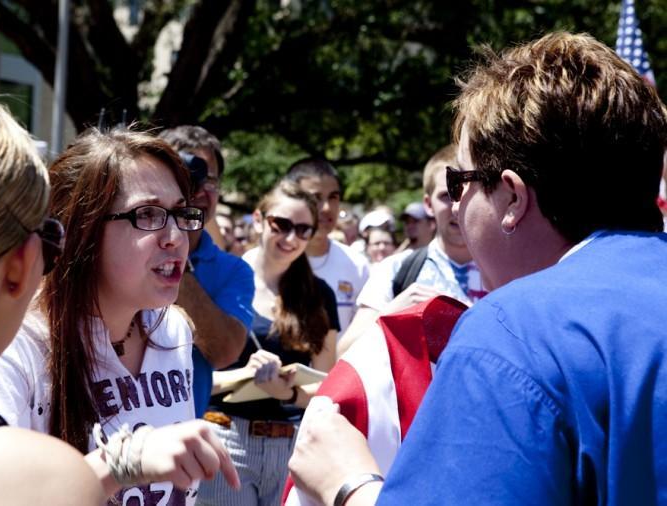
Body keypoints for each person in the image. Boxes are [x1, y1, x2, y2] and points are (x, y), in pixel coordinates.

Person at [289, 31, 667, 505]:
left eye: (459, 179)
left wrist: (347, 483)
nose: (455, 203)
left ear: (511, 196)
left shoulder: (511, 333)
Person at [0, 93, 237, 506]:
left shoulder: (171, 329)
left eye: (181, 213)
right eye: (147, 215)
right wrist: (118, 464)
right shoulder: (13, 350)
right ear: (78, 232)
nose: (175, 236)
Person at [197, 180, 340, 506]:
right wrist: (245, 375)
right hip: (226, 438)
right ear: (259, 219)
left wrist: (287, 392)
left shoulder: (320, 296)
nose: (291, 238)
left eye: (303, 230)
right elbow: (190, 379)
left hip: (291, 445)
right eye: (282, 225)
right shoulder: (221, 284)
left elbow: (327, 387)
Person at [338, 145, 485, 356]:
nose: (456, 205)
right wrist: (391, 315)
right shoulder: (397, 269)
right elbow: (344, 352)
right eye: (446, 195)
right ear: (428, 204)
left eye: (465, 191)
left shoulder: (509, 270)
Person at [159, 126, 255, 417]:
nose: (200, 191)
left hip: (185, 436)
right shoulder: (125, 246)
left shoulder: (234, 270)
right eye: (190, 177)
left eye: (210, 180)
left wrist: (174, 259)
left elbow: (225, 352)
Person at [286, 159, 369, 337]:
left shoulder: (357, 265)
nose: (326, 208)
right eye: (315, 198)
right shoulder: (269, 262)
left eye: (333, 197)